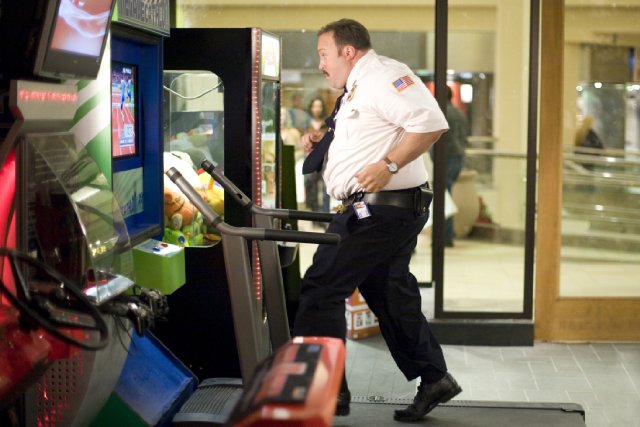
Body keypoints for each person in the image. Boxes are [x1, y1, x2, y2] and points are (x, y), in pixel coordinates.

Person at [292, 18, 461, 422]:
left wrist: (388, 165)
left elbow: (430, 123)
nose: (321, 64)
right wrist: (323, 141)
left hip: (381, 209)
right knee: (388, 290)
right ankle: (434, 377)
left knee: (321, 288)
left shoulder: (384, 76)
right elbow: (369, 133)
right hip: (384, 208)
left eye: (324, 55)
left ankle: (327, 392)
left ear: (348, 52)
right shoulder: (358, 86)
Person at [443, 85, 470, 247]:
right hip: (458, 157)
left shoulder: (442, 112)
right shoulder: (459, 113)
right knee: (447, 195)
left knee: (443, 198)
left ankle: (445, 236)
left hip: (446, 158)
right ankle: (446, 234)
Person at [304, 97, 331, 215]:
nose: (317, 109)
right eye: (315, 106)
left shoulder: (328, 122)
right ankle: (313, 213)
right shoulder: (306, 122)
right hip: (310, 156)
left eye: (319, 106)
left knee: (326, 186)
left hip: (325, 156)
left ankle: (325, 213)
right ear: (311, 107)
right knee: (311, 185)